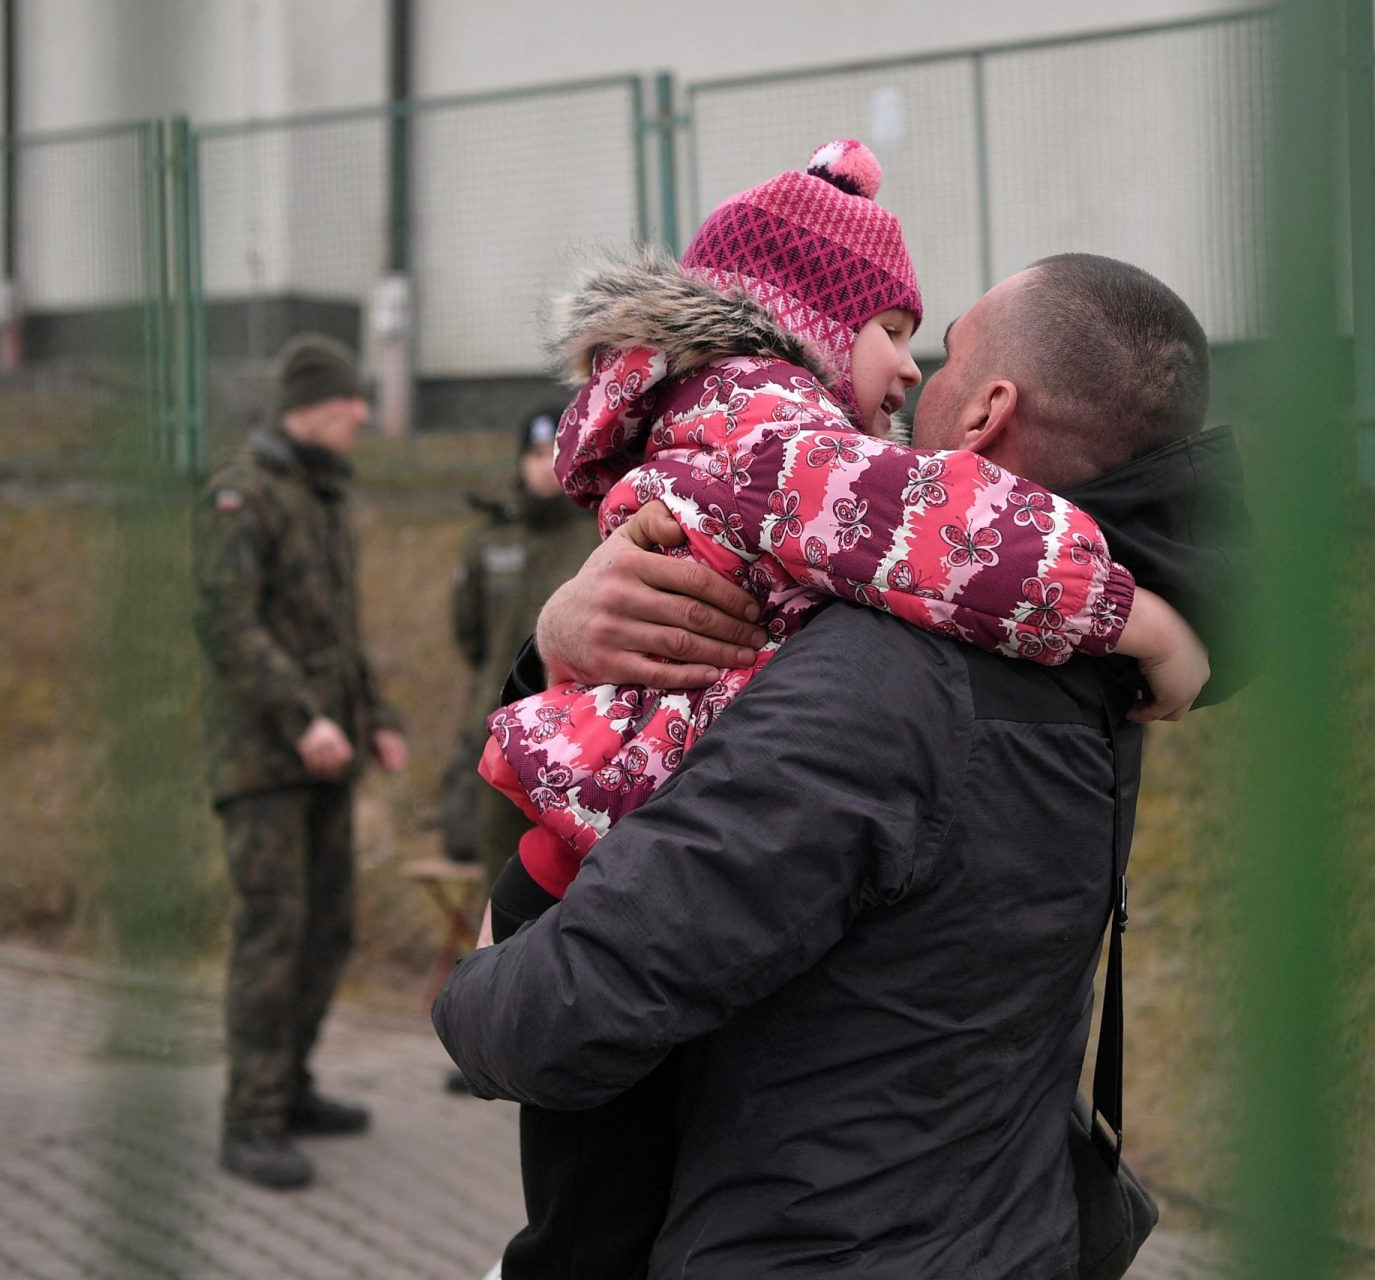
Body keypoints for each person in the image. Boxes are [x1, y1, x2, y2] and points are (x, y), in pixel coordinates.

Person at [436, 251, 1252, 1278]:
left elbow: (576, 1006)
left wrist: (468, 993)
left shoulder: (885, 681)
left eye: (943, 349)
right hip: (1000, 1228)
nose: (915, 377)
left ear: (989, 410)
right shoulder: (1102, 658)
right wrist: (562, 640)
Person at [479, 139, 1200, 912]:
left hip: (612, 819)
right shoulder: (777, 444)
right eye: (890, 331)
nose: (912, 366)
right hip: (626, 839)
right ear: (809, 320)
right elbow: (942, 525)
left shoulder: (728, 427)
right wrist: (1140, 621)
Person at [195, 334, 408, 1192]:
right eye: (351, 399)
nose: (363, 413)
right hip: (266, 760)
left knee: (330, 928)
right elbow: (227, 627)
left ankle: (291, 1085)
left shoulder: (322, 497)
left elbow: (339, 633)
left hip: (331, 750)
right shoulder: (239, 498)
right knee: (273, 934)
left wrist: (377, 715)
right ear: (313, 405)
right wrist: (302, 717)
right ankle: (248, 1119)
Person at [443, 406, 591, 886]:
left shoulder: (599, 532)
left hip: (576, 738)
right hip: (498, 735)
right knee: (500, 875)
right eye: (531, 453)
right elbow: (469, 634)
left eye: (552, 451)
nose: (542, 464)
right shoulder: (490, 539)